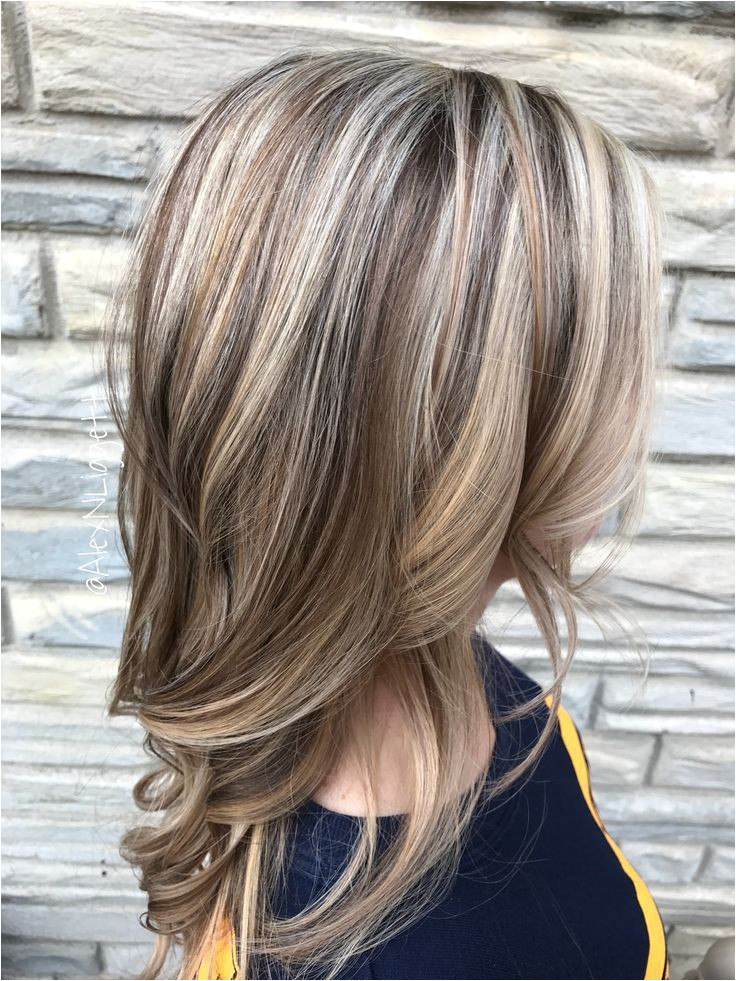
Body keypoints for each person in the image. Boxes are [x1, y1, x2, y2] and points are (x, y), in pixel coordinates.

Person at [104, 49, 668, 980]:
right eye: (619, 364)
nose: (639, 410)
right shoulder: (397, 954)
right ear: (468, 448)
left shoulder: (462, 680)